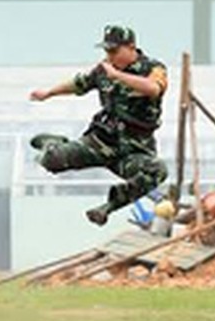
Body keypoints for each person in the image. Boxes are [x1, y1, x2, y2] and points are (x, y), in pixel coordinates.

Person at [28, 24, 169, 226]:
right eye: (107, 51)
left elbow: (154, 89)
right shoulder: (104, 69)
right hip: (100, 142)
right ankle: (52, 144)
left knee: (157, 171)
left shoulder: (153, 68)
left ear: (131, 47)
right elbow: (79, 84)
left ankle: (107, 208)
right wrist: (49, 93)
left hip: (134, 149)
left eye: (114, 51)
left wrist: (118, 76)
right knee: (51, 161)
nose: (110, 56)